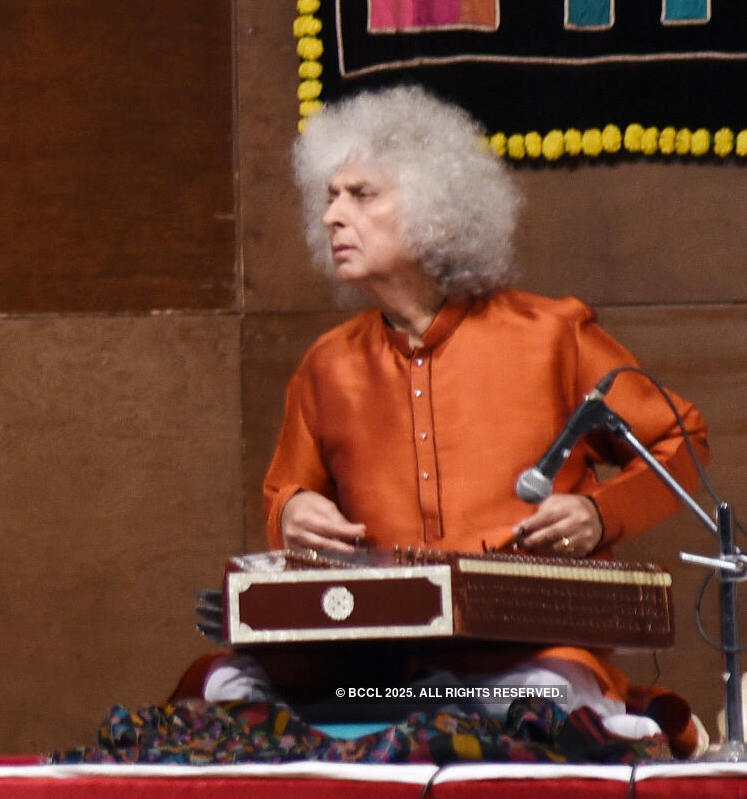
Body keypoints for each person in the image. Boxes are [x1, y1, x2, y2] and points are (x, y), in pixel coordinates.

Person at [196, 86, 708, 749]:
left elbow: (680, 437)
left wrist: (600, 515)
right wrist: (291, 514)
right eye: (329, 195)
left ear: (437, 208)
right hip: (378, 673)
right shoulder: (326, 366)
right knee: (224, 684)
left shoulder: (552, 335)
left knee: (544, 696)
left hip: (521, 665)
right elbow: (284, 496)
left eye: (362, 194)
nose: (332, 216)